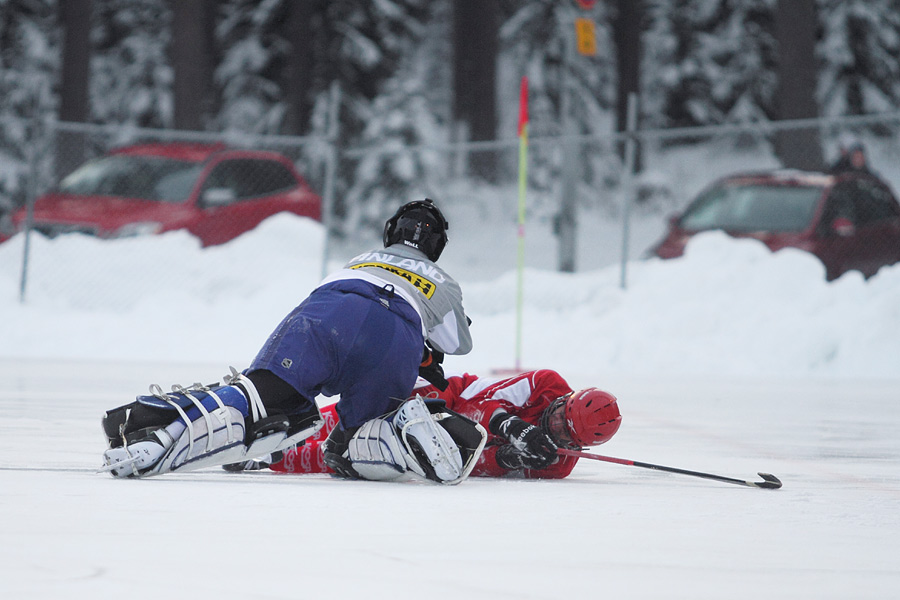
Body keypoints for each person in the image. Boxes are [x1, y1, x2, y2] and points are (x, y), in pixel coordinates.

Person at [100, 198, 484, 484]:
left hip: (330, 311)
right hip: (395, 336)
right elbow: (456, 344)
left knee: (256, 395)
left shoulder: (363, 257)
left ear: (391, 232)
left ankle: (155, 430)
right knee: (348, 449)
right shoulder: (443, 280)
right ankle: (397, 428)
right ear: (436, 248)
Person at [259, 369, 622, 480]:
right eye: (560, 413)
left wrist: (511, 459)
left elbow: (478, 463)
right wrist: (514, 426)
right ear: (566, 398)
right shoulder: (545, 382)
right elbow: (478, 404)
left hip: (455, 439)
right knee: (371, 409)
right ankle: (289, 429)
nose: (553, 424)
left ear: (576, 445)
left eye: (562, 431)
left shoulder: (558, 464)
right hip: (450, 397)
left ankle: (272, 459)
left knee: (380, 452)